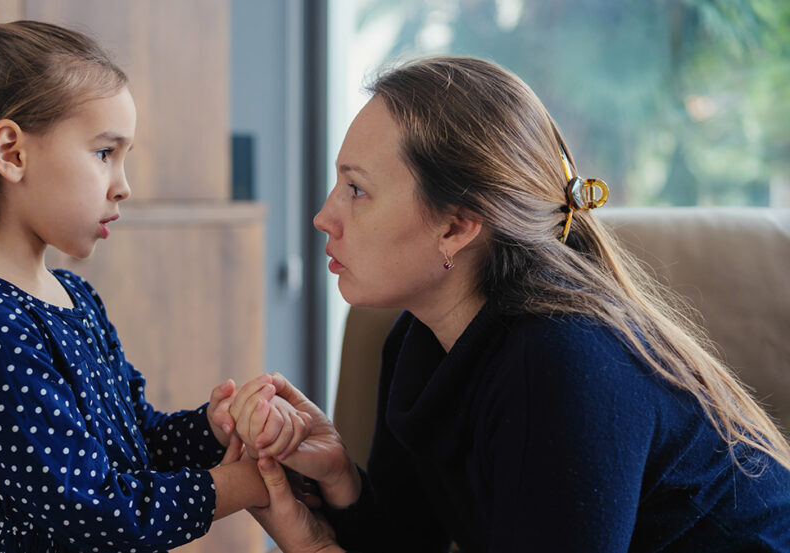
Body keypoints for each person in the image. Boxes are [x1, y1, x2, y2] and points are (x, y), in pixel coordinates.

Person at [225, 56, 790, 552]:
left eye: (356, 189)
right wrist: (339, 479)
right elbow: (405, 541)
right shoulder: (419, 340)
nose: (325, 216)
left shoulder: (566, 362)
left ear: (456, 226)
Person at [0, 1, 311, 551]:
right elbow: (99, 514)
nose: (123, 186)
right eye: (105, 152)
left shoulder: (74, 297)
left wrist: (215, 425)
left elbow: (137, 445)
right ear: (10, 152)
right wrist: (240, 484)